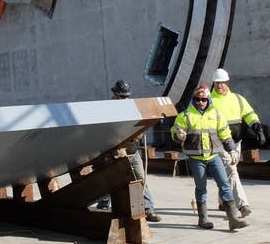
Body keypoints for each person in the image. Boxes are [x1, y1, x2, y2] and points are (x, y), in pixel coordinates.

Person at [171, 84, 249, 230]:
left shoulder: (216, 114)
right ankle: (203, 218)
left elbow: (225, 134)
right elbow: (175, 133)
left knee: (225, 184)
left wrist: (232, 150)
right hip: (196, 159)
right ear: (194, 100)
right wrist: (178, 135)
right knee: (201, 187)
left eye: (204, 99)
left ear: (208, 100)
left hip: (214, 156)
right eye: (198, 99)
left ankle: (233, 219)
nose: (201, 102)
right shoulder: (185, 116)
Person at [96, 80, 162, 222]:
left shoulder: (133, 108)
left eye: (126, 96)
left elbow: (140, 128)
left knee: (140, 178)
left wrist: (138, 134)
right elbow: (104, 132)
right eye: (121, 96)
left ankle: (148, 209)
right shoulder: (107, 109)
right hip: (114, 152)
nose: (124, 99)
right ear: (115, 95)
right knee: (111, 179)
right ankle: (102, 205)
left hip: (132, 150)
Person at [210, 68, 266, 217]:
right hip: (218, 142)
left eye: (222, 82)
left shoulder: (238, 99)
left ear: (227, 82)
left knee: (226, 171)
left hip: (236, 142)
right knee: (231, 171)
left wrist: (258, 128)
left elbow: (249, 114)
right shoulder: (208, 100)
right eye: (217, 83)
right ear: (214, 83)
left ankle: (223, 201)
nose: (220, 85)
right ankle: (242, 205)